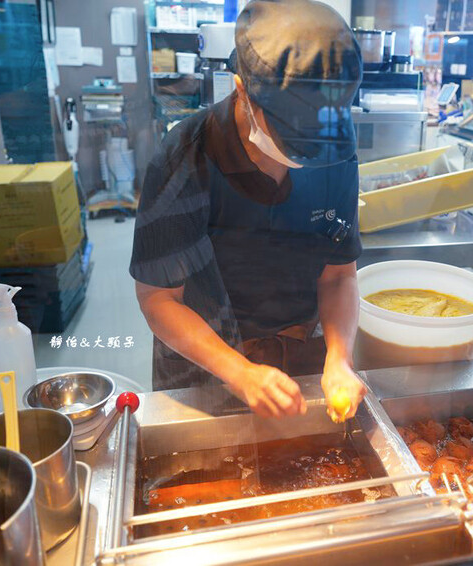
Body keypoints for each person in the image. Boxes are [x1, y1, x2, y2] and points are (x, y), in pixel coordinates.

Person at [129, 0, 366, 420]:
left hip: (302, 358)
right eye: (293, 138)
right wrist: (238, 372)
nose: (308, 157)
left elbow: (338, 276)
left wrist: (339, 358)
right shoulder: (185, 157)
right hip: (204, 366)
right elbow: (159, 299)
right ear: (242, 90)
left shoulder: (336, 153)